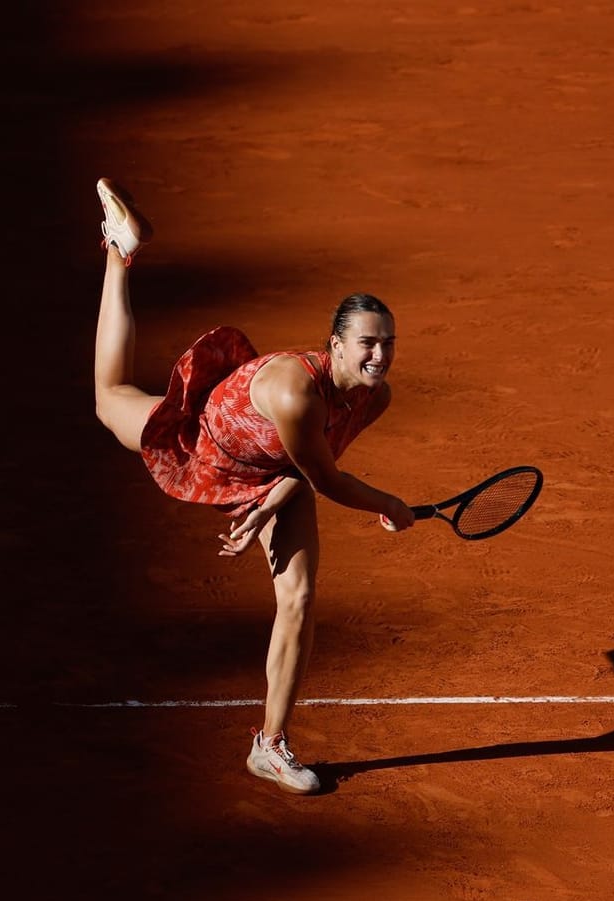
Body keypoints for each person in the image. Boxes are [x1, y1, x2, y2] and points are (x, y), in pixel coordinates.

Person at [91, 178, 416, 794]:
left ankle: (270, 746)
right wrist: (389, 505)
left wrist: (264, 506)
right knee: (110, 401)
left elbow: (304, 469)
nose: (380, 355)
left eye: (388, 344)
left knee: (297, 599)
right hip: (211, 440)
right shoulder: (297, 393)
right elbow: (326, 477)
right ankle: (119, 253)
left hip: (273, 468)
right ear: (336, 345)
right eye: (368, 343)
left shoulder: (373, 398)